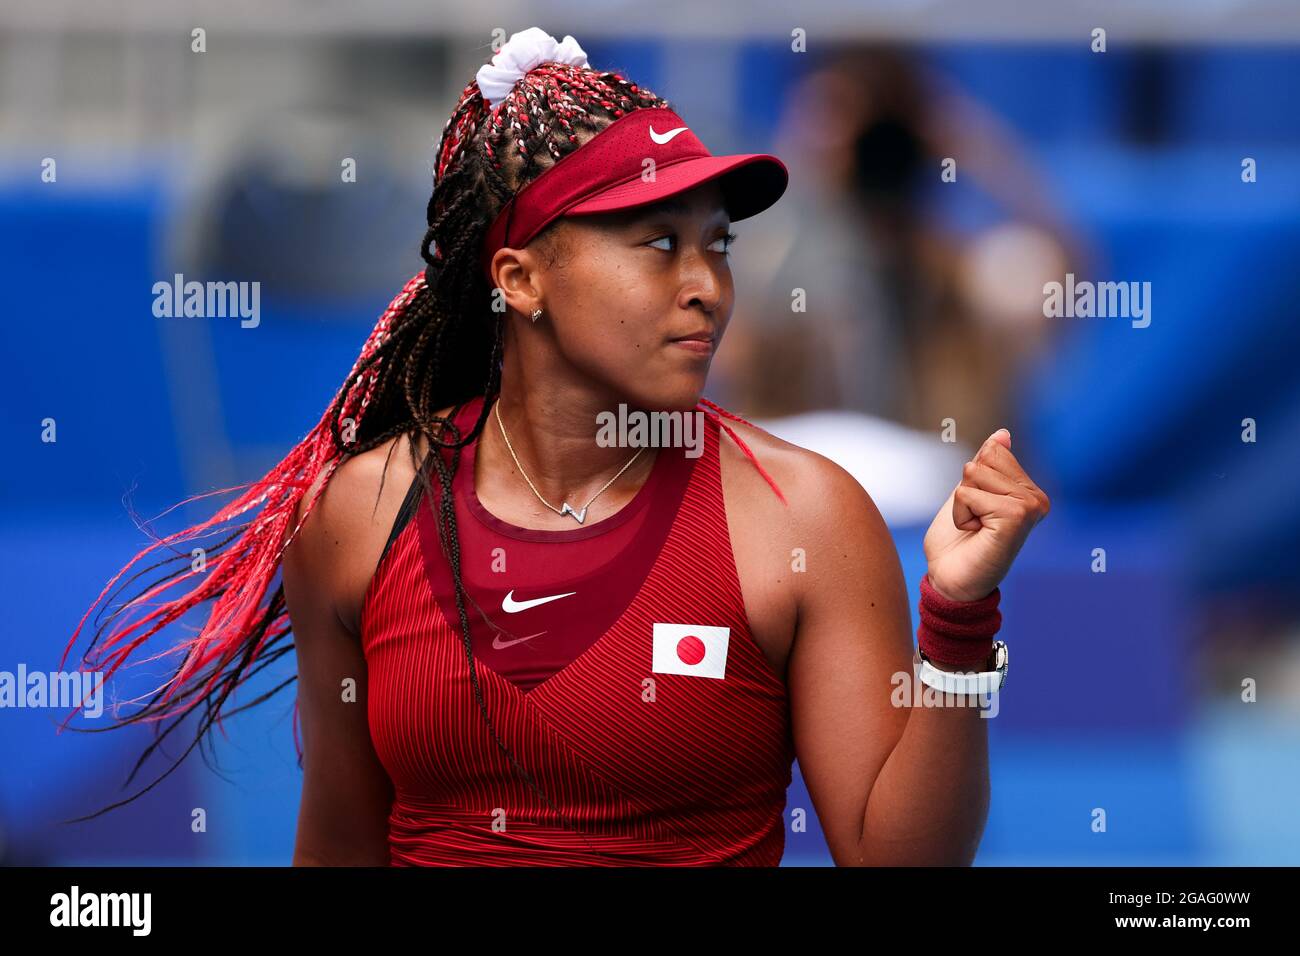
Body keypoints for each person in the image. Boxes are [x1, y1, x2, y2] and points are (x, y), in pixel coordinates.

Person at [61, 28, 1050, 866]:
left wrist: (957, 620)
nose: (706, 283)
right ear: (521, 280)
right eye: (658, 243)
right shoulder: (356, 518)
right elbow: (341, 846)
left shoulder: (805, 515)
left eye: (719, 244)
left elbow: (897, 856)